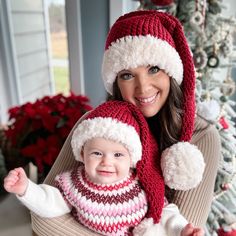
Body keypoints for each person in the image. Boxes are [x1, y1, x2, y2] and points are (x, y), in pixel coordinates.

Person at [4, 101, 205, 236]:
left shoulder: (141, 186)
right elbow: (51, 202)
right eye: (97, 153)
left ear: (132, 160)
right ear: (82, 155)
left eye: (118, 155)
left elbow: (164, 213)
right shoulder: (74, 183)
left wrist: (181, 229)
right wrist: (26, 189)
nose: (106, 162)